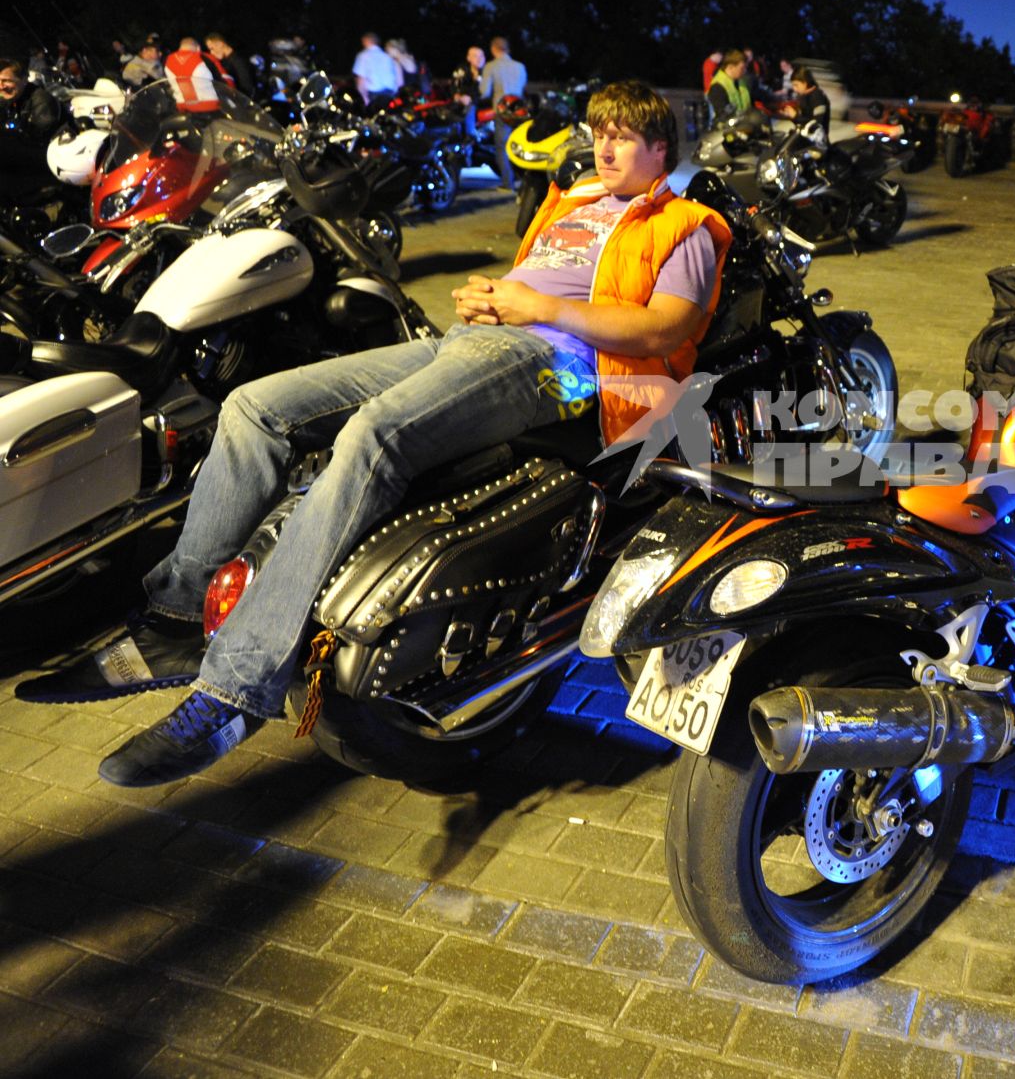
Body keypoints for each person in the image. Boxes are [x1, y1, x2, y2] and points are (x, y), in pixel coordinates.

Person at [21, 83, 734, 785]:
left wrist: (537, 306)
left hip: (560, 366)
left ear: (659, 149)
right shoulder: (571, 200)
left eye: (622, 137)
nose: (603, 147)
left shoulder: (687, 223)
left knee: (374, 436)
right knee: (253, 407)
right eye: (598, 132)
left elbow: (666, 326)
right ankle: (175, 616)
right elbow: (533, 281)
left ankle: (235, 687)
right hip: (474, 339)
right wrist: (489, 296)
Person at [0, 57, 63, 211]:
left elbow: (36, 140)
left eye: (7, 81)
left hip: (49, 165)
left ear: (23, 79)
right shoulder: (12, 102)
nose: (1, 86)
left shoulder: (41, 100)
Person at [480, 37, 529, 190]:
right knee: (520, 145)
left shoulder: (491, 66)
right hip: (520, 111)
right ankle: (525, 180)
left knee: (501, 147)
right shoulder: (520, 66)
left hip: (502, 112)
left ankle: (508, 182)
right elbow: (522, 87)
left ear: (494, 49)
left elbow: (484, 92)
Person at [352, 32, 402, 110]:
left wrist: (365, 99)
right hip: (391, 96)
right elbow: (399, 82)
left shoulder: (363, 56)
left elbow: (361, 80)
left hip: (374, 96)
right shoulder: (388, 56)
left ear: (367, 41)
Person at [204, 33, 256, 100]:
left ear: (220, 44)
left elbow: (247, 86)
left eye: (212, 48)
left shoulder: (238, 60)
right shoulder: (226, 61)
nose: (211, 52)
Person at [706, 49, 751, 126]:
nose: (745, 71)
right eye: (742, 68)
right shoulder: (718, 86)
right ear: (730, 67)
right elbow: (721, 114)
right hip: (726, 131)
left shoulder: (740, 82)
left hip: (743, 127)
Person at [783, 65, 831, 131]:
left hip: (816, 138)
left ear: (805, 83)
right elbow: (801, 121)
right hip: (804, 135)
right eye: (793, 85)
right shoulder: (803, 96)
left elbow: (817, 123)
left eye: (796, 85)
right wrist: (791, 115)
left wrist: (795, 116)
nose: (794, 89)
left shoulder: (818, 96)